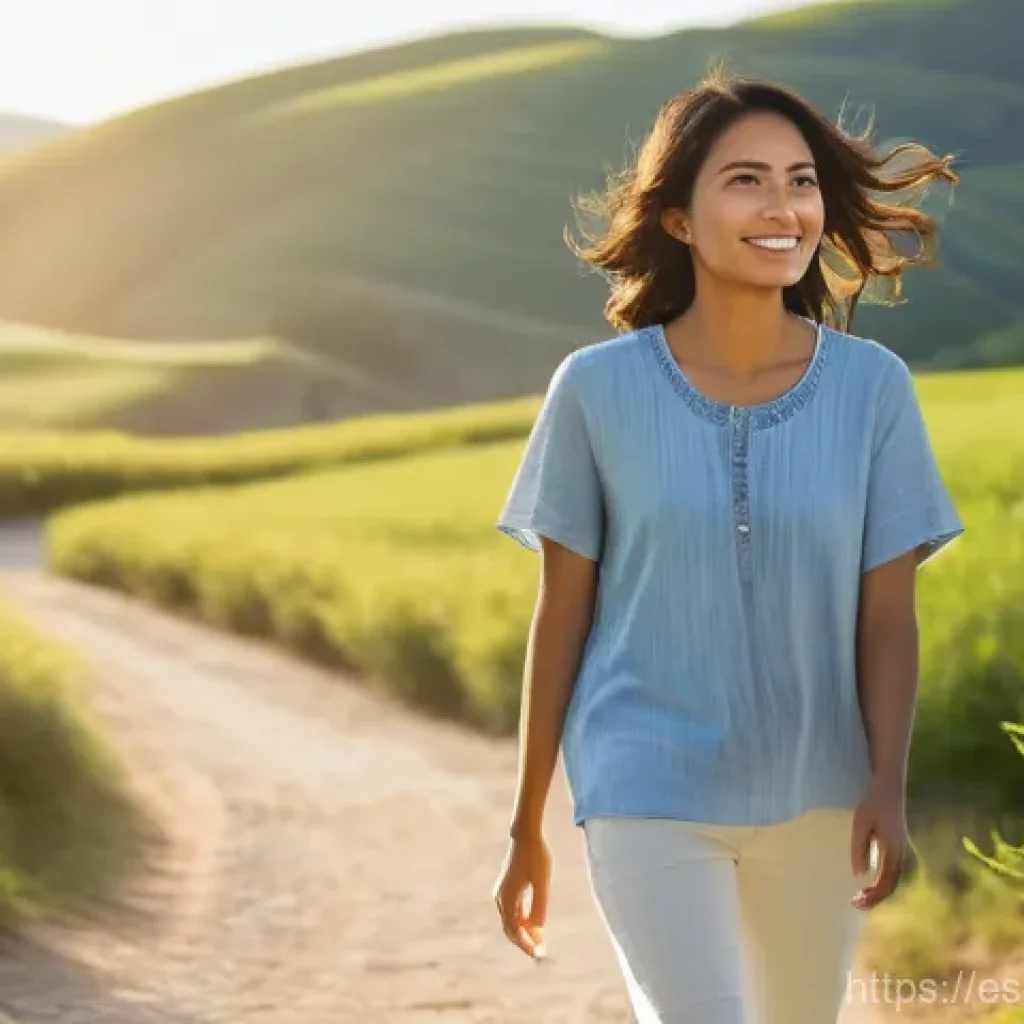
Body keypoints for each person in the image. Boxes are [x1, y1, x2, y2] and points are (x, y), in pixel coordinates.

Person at [491, 68, 965, 1024]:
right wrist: (527, 820)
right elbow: (565, 612)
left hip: (820, 787)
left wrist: (885, 780)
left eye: (800, 181)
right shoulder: (595, 389)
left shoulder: (873, 390)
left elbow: (886, 616)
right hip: (643, 780)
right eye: (745, 180)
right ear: (677, 218)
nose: (782, 206)